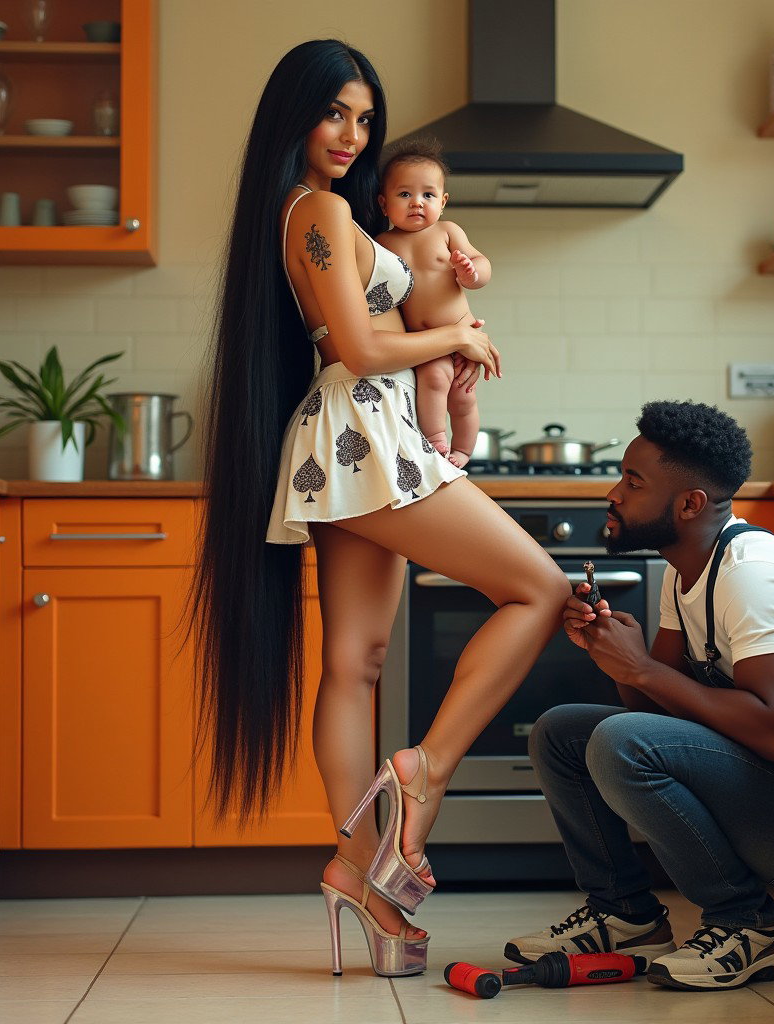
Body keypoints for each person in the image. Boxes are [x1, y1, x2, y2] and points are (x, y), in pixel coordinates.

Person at [191, 39, 569, 980]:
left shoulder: (318, 209)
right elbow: (358, 348)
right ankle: (423, 775)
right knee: (541, 589)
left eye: (364, 119)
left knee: (354, 665)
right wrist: (457, 335)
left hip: (358, 437)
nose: (353, 135)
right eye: (334, 113)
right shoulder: (317, 209)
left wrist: (446, 334)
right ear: (295, 115)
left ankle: (361, 871)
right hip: (365, 432)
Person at [505, 400, 774, 992]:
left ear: (689, 504)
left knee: (618, 741)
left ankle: (749, 927)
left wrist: (643, 669)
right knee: (562, 733)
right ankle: (625, 917)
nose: (613, 494)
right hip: (770, 780)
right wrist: (622, 664)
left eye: (633, 482)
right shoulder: (686, 570)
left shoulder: (752, 574)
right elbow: (651, 713)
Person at [375, 139, 487, 468]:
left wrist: (470, 274)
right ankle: (436, 441)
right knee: (435, 382)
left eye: (428, 194)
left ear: (443, 201)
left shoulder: (448, 232)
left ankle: (463, 450)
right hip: (425, 343)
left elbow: (482, 264)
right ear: (384, 204)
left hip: (461, 332)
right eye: (404, 194)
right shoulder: (382, 244)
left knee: (463, 397)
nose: (417, 202)